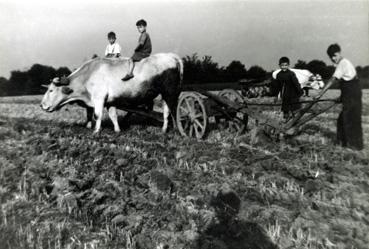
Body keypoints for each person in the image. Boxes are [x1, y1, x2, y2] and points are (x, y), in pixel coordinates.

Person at [316, 43, 363, 150]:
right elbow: (348, 82)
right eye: (331, 57)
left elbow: (333, 79)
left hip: (352, 93)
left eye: (334, 56)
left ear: (339, 53)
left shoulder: (343, 63)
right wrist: (342, 97)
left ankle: (352, 145)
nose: (333, 59)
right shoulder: (345, 63)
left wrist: (320, 93)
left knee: (349, 118)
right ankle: (345, 143)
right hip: (353, 92)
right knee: (344, 119)